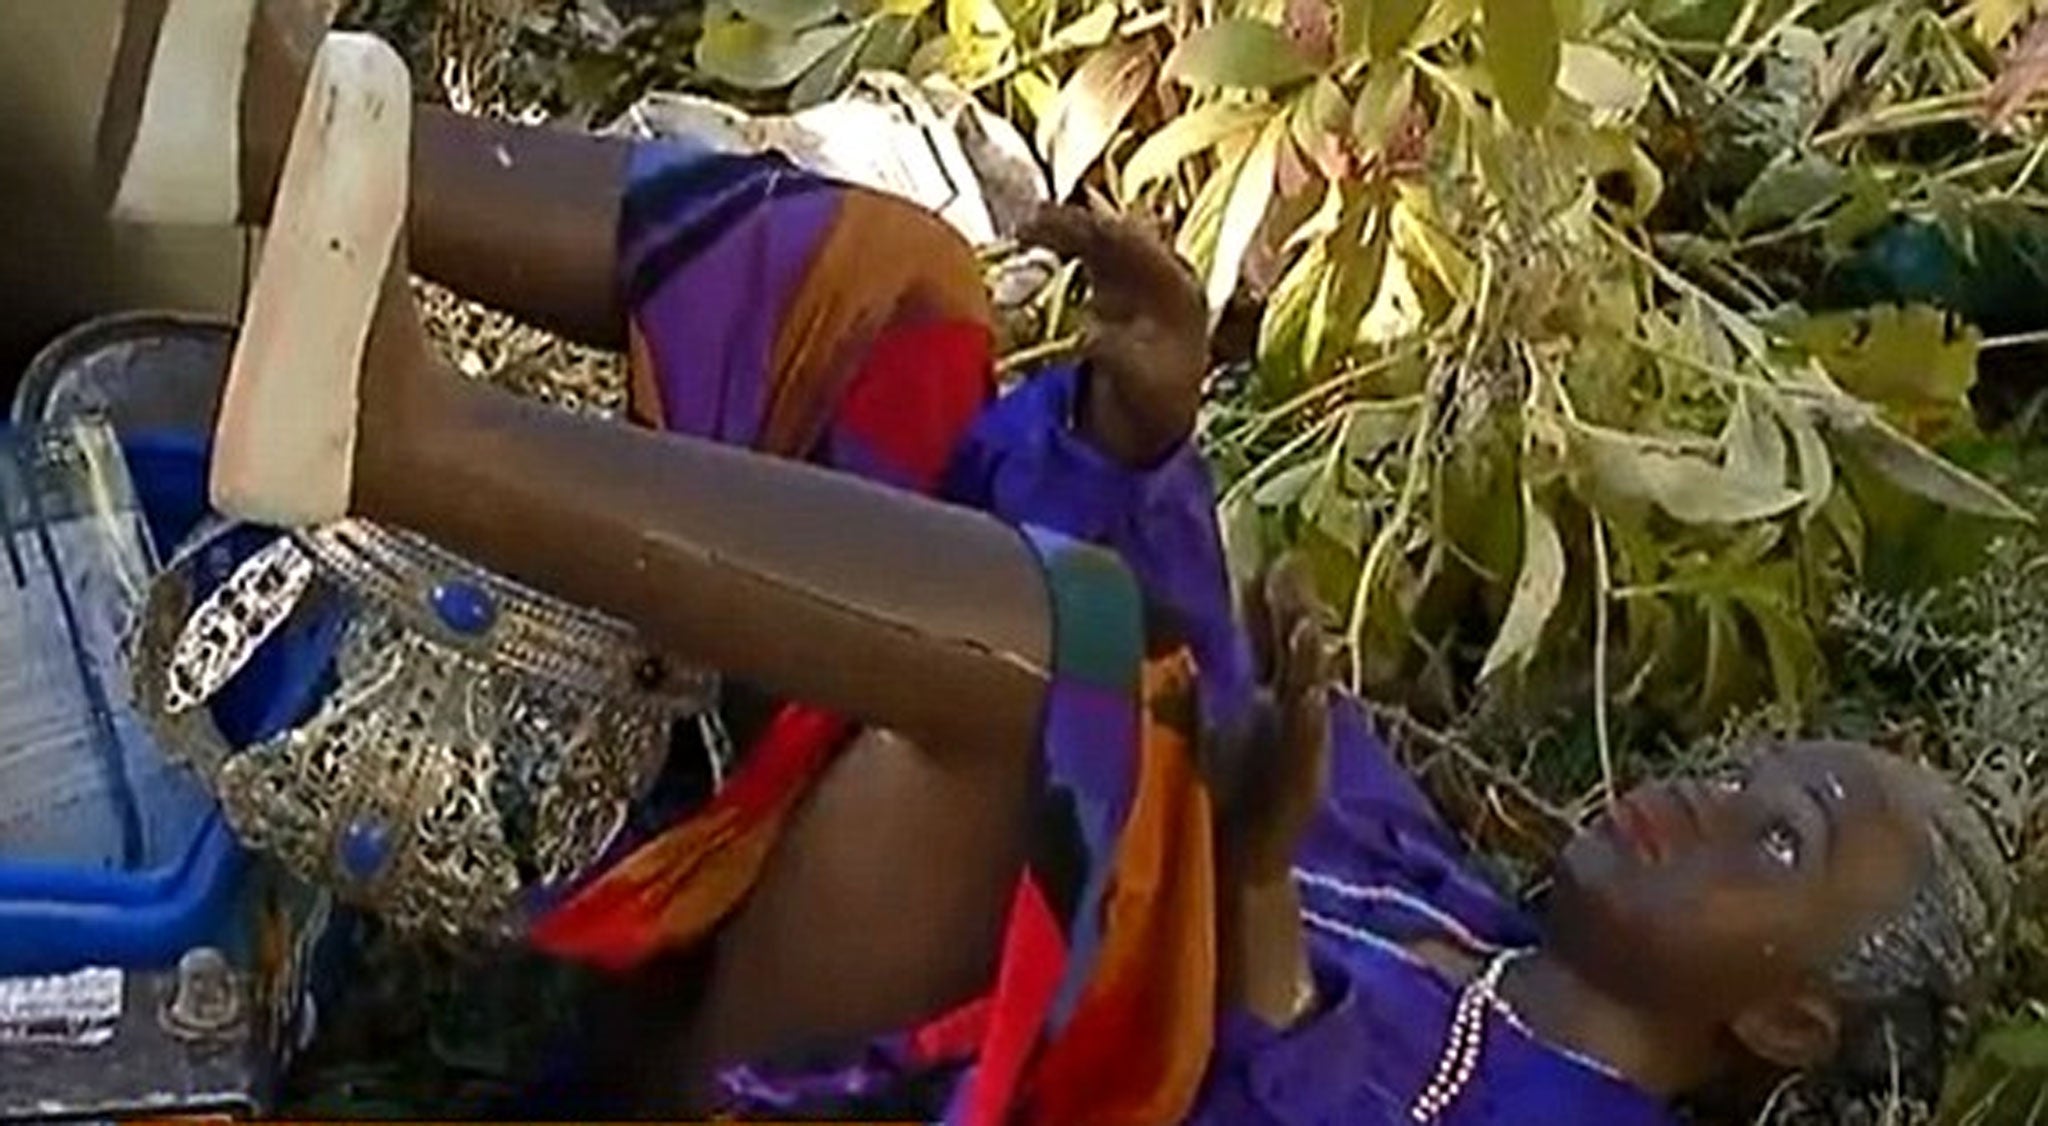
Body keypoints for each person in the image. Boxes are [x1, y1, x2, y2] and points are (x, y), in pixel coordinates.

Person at [103, 7, 2014, 1125]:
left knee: (1066, 660)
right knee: (901, 290)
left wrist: (1248, 881)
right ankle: (266, 140)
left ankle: (414, 440)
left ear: (1779, 1026)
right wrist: (1135, 441)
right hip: (841, 892)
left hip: (880, 1072)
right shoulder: (1454, 894)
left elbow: (1219, 1028)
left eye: (1782, 842)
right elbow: (1179, 663)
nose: (1718, 797)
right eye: (1770, 775)